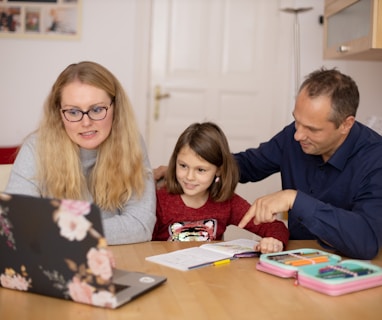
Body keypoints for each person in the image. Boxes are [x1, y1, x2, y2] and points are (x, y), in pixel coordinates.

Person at [154, 68, 382, 260]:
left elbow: (367, 242)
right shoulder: (294, 137)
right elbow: (248, 165)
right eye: (296, 121)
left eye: (311, 129)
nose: (297, 135)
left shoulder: (375, 159)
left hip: (346, 263)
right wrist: (199, 165)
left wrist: (295, 199)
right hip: (294, 257)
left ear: (346, 124)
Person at [5, 61, 156, 245]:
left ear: (115, 108)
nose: (86, 122)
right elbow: (17, 224)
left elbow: (141, 225)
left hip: (119, 258)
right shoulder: (35, 149)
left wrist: (58, 229)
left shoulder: (132, 143)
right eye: (73, 112)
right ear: (58, 113)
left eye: (97, 109)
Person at [153, 122, 289, 253]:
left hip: (210, 274)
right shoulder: (160, 201)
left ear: (218, 170)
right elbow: (142, 244)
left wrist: (274, 241)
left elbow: (276, 227)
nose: (189, 177)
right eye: (183, 166)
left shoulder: (227, 202)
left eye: (200, 170)